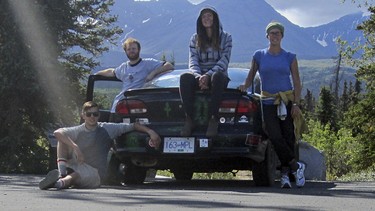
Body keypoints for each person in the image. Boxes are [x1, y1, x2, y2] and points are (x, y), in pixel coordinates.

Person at [239, 21, 306, 188]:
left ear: (282, 36)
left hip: (286, 100)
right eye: (272, 33)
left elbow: (297, 82)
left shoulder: (290, 57)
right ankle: (296, 166)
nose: (274, 36)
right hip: (268, 101)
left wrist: (296, 103)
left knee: (288, 136)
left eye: (277, 33)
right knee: (275, 136)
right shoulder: (259, 56)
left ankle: (285, 174)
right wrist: (242, 87)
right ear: (267, 36)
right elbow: (250, 77)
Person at [39, 101, 161, 190]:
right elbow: (57, 133)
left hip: (94, 172)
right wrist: (75, 147)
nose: (92, 117)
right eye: (89, 114)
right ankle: (61, 173)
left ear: (99, 115)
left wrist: (151, 132)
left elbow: (133, 125)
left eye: (95, 114)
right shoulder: (78, 129)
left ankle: (58, 183)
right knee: (63, 138)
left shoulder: (107, 128)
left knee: (75, 176)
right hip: (76, 163)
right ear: (83, 116)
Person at [179, 6, 232, 137]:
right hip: (200, 77)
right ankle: (189, 119)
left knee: (217, 76)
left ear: (215, 19)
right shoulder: (194, 39)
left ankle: (213, 119)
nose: (206, 19)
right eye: (204, 16)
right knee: (185, 77)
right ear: (200, 20)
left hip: (217, 78)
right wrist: (198, 77)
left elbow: (224, 61)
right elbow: (193, 61)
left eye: (209, 16)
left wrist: (208, 75)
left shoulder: (227, 38)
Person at [96, 37, 174, 113]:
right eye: (129, 49)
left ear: (138, 50)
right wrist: (97, 74)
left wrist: (152, 73)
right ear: (125, 51)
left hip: (138, 105)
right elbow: (112, 72)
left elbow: (168, 66)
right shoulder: (123, 67)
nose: (131, 51)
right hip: (119, 105)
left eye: (133, 49)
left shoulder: (148, 63)